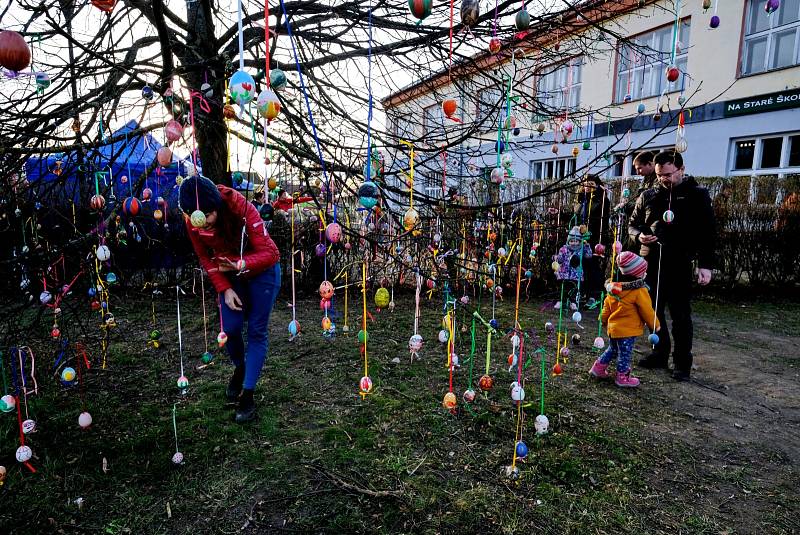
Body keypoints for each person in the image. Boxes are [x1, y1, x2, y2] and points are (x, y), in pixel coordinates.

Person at [180, 176, 281, 422]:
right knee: (232, 329)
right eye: (195, 218)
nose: (201, 225)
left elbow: (271, 252)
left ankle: (247, 395)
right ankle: (241, 367)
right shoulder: (192, 218)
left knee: (257, 331)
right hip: (230, 275)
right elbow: (205, 257)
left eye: (207, 216)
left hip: (262, 273)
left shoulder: (241, 208)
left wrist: (240, 263)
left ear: (217, 207)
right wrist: (225, 289)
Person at [628, 150, 715, 381]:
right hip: (650, 262)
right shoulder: (648, 195)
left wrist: (705, 264)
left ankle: (682, 363)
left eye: (667, 174)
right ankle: (659, 352)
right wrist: (639, 237)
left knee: (680, 315)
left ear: (681, 169)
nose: (663, 179)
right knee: (652, 311)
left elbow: (708, 233)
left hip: (679, 263)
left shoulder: (697, 195)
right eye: (659, 175)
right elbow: (632, 225)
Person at [590, 251, 659, 388]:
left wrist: (602, 320)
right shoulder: (639, 291)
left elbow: (606, 307)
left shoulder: (614, 289)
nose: (645, 274)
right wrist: (655, 325)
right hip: (627, 331)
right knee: (625, 354)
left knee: (613, 349)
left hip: (613, 329)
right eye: (643, 272)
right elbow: (647, 310)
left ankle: (597, 368)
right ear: (637, 274)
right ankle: (622, 377)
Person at [573, 174, 610, 302]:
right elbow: (576, 217)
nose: (587, 186)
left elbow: (603, 221)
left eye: (591, 184)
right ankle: (582, 293)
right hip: (579, 238)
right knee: (581, 266)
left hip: (594, 239)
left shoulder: (602, 200)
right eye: (585, 184)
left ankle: (594, 295)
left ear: (597, 186)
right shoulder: (580, 200)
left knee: (593, 266)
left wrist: (600, 240)